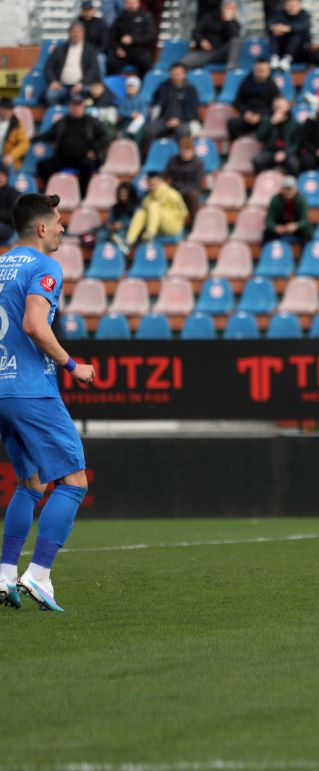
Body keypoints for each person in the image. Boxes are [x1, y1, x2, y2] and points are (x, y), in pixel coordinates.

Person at [0, 193, 97, 612]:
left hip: (1, 389)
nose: (62, 227)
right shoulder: (45, 266)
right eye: (57, 221)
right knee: (74, 482)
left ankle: (4, 577)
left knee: (31, 482)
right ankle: (38, 576)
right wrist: (73, 364)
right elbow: (35, 325)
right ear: (41, 228)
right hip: (30, 388)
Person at [35, 95, 110, 197]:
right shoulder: (62, 122)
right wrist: (32, 139)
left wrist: (94, 150)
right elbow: (49, 134)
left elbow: (105, 137)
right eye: (73, 105)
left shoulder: (92, 121)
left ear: (83, 107)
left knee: (88, 165)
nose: (75, 108)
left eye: (78, 105)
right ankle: (52, 191)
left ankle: (81, 195)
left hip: (83, 157)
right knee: (43, 166)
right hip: (63, 157)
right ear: (70, 107)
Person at [119, 171, 186, 248]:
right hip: (159, 229)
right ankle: (128, 241)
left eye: (154, 183)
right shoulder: (148, 198)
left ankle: (150, 235)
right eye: (150, 184)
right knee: (141, 212)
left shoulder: (171, 194)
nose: (152, 186)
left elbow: (184, 212)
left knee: (154, 206)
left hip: (173, 226)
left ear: (161, 182)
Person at [44, 22, 101, 106]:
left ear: (83, 34)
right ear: (69, 33)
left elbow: (94, 69)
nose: (76, 34)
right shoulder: (60, 49)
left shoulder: (90, 50)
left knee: (90, 97)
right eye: (73, 32)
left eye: (78, 32)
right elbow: (48, 67)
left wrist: (82, 83)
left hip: (82, 86)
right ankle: (58, 115)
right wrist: (53, 81)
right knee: (50, 95)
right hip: (61, 86)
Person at [145, 63, 201, 142]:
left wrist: (179, 120)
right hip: (165, 119)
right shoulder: (163, 86)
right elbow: (155, 99)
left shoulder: (191, 89)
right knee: (150, 130)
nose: (175, 77)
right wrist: (153, 108)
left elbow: (193, 111)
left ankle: (179, 154)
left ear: (184, 74)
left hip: (184, 120)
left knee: (182, 131)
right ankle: (156, 152)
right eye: (173, 74)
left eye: (178, 74)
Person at [228, 59, 281, 140]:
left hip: (263, 118)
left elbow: (274, 107)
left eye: (263, 71)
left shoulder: (272, 86)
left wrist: (260, 115)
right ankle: (239, 146)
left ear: (268, 71)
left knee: (270, 126)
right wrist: (246, 112)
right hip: (247, 116)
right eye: (258, 70)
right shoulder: (246, 82)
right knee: (232, 123)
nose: (260, 73)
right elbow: (237, 102)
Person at [180, 0, 241, 70]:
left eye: (233, 8)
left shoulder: (234, 22)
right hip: (208, 52)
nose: (230, 10)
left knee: (236, 41)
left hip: (224, 53)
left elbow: (235, 38)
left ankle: (231, 68)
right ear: (222, 8)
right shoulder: (209, 18)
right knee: (184, 63)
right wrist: (202, 40)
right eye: (229, 8)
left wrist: (229, 22)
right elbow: (195, 32)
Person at [107, 0, 158, 78]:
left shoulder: (145, 17)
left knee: (146, 64)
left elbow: (151, 36)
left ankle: (144, 85)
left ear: (138, 3)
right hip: (123, 52)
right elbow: (112, 37)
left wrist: (133, 39)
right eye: (128, 3)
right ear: (124, 4)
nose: (130, 6)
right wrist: (117, 48)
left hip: (140, 50)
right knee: (111, 63)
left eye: (132, 3)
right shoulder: (120, 18)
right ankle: (113, 86)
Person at [253, 96, 300, 175]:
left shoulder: (295, 124)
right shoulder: (267, 121)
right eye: (276, 107)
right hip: (271, 151)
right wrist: (271, 123)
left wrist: (285, 153)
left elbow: (296, 144)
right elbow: (259, 137)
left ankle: (290, 182)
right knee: (257, 161)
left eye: (281, 107)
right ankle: (264, 181)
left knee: (294, 164)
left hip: (287, 152)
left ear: (287, 107)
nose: (278, 110)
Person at [263, 175, 312, 244]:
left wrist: (296, 225)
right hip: (280, 224)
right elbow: (269, 219)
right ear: (282, 190)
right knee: (267, 232)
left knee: (306, 231)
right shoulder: (275, 200)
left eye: (290, 189)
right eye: (286, 189)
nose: (288, 191)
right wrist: (275, 227)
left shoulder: (301, 200)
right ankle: (267, 252)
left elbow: (305, 219)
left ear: (295, 189)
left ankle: (306, 252)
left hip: (295, 226)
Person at [163, 136, 204, 218]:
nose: (185, 153)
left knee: (193, 196)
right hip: (174, 189)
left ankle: (194, 225)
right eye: (183, 151)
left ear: (193, 151)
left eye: (188, 151)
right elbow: (165, 175)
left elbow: (197, 184)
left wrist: (182, 191)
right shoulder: (173, 160)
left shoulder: (198, 163)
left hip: (189, 190)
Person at [267, 0, 312, 72]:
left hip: (300, 51)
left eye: (293, 5)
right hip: (282, 48)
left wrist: (288, 29)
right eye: (289, 5)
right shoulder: (280, 14)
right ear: (285, 6)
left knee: (297, 35)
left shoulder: (304, 15)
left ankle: (287, 60)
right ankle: (274, 58)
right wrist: (275, 27)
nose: (291, 8)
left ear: (299, 5)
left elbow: (304, 26)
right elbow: (269, 23)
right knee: (275, 33)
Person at [0, 97, 31, 174]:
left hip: (6, 160)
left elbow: (24, 143)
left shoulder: (17, 124)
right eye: (5, 109)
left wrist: (12, 156)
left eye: (10, 109)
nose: (8, 112)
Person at [103, 180, 140, 246]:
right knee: (102, 234)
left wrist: (123, 224)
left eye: (125, 193)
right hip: (115, 231)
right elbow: (110, 222)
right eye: (121, 193)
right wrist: (112, 226)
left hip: (129, 232)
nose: (123, 194)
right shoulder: (115, 207)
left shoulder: (136, 207)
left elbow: (137, 222)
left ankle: (121, 251)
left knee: (121, 233)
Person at [0, 169, 17, 243]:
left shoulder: (13, 192)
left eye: (2, 176)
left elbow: (13, 214)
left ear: (7, 177)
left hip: (8, 226)